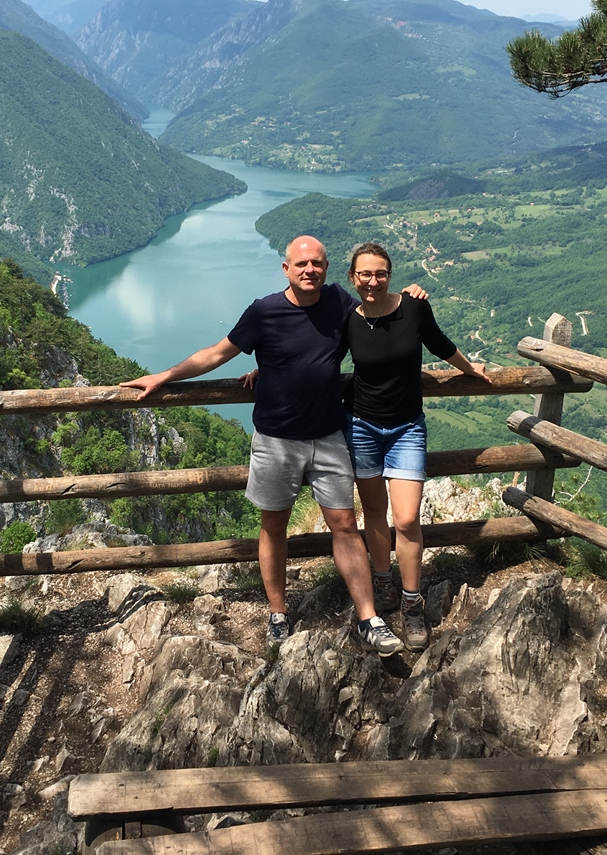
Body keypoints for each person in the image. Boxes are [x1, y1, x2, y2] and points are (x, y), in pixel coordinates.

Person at [122, 235, 418, 655]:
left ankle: (369, 618)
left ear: (327, 268)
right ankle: (278, 613)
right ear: (286, 269)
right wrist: (164, 376)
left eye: (317, 263)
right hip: (276, 441)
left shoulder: (338, 300)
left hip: (329, 436)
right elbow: (217, 354)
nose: (309, 270)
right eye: (301, 264)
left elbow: (379, 306)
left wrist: (412, 297)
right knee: (273, 527)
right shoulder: (264, 311)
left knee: (345, 526)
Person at [344, 242, 490, 651]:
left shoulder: (414, 307)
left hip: (407, 428)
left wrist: (470, 369)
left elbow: (440, 344)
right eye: (365, 274)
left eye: (381, 274)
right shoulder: (347, 318)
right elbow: (318, 356)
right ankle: (383, 581)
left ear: (389, 275)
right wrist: (264, 369)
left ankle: (411, 603)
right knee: (374, 511)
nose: (373, 281)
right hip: (361, 426)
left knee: (406, 520)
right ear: (353, 278)